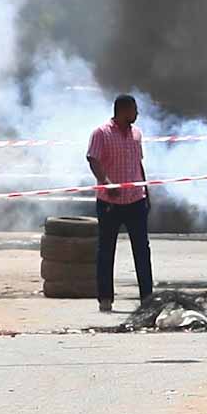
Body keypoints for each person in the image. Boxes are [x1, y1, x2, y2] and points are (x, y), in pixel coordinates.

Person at [87, 95, 154, 313]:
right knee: (106, 251)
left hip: (135, 200)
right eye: (134, 109)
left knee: (142, 250)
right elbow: (93, 159)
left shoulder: (136, 134)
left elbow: (138, 164)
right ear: (123, 110)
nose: (137, 114)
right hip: (110, 203)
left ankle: (147, 298)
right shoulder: (101, 133)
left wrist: (147, 191)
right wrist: (106, 184)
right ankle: (105, 299)